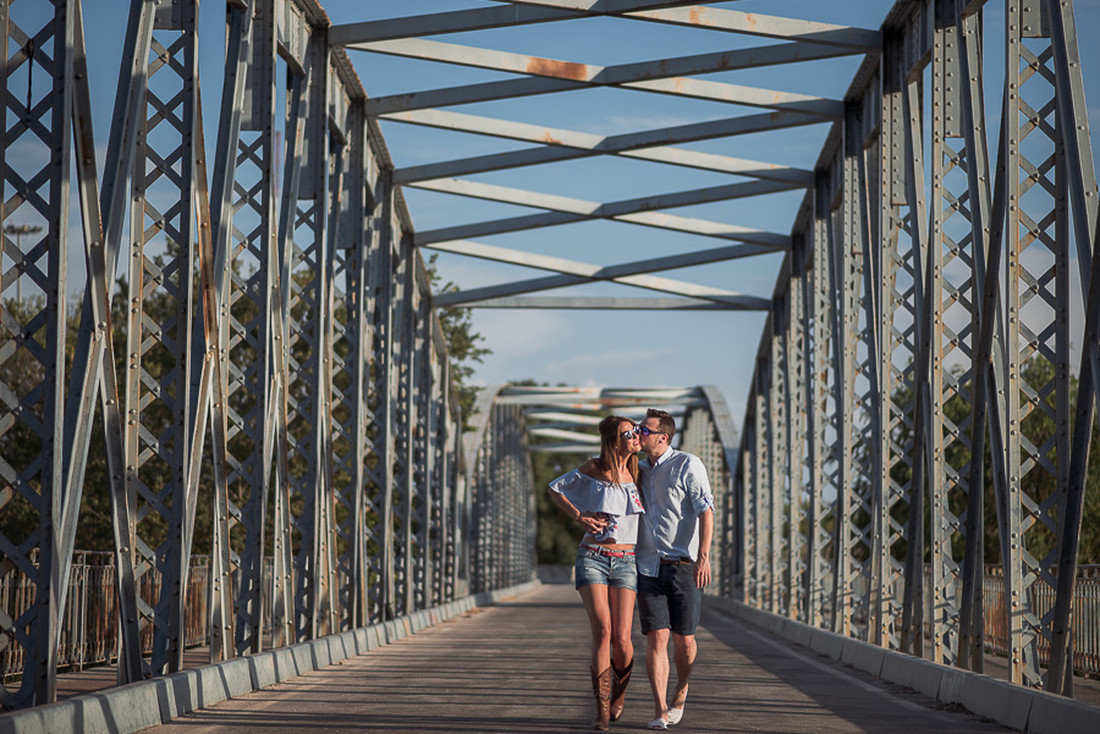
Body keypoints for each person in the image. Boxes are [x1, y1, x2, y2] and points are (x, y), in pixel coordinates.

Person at [548, 415, 645, 731]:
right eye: (628, 433)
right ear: (613, 440)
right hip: (592, 557)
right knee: (603, 630)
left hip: (626, 561)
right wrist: (579, 515)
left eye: (635, 431)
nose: (635, 436)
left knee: (623, 638)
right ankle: (602, 708)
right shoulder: (593, 468)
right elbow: (555, 488)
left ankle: (620, 694)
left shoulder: (639, 472)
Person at [635, 408, 714, 731]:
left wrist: (704, 556)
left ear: (662, 437)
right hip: (648, 566)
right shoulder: (636, 469)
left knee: (685, 641)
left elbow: (706, 511)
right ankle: (660, 710)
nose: (638, 434)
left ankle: (680, 690)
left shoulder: (687, 464)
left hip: (684, 565)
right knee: (657, 638)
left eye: (644, 430)